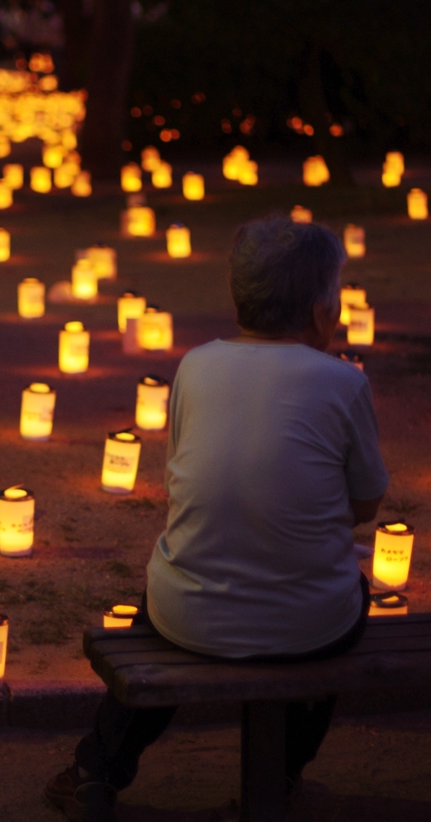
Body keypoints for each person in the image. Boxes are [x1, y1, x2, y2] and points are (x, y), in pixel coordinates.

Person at [45, 217, 389, 822]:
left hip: (188, 611)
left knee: (161, 609)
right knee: (348, 600)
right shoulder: (343, 383)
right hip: (307, 624)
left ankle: (96, 770)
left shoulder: (196, 367)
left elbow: (190, 477)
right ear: (320, 310)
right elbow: (364, 509)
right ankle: (279, 775)